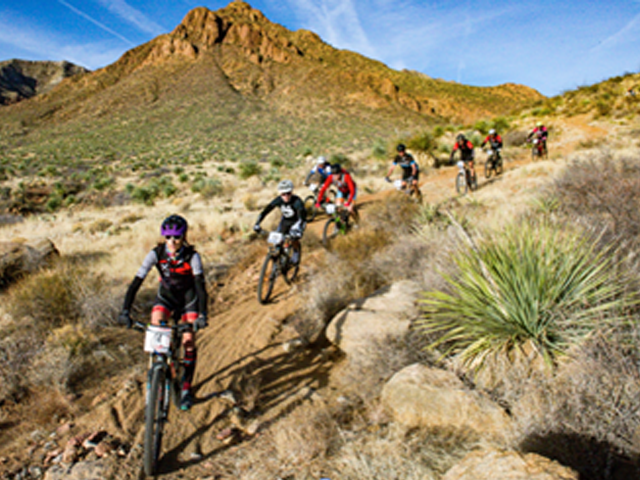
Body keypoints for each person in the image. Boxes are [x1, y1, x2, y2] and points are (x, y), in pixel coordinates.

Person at [119, 215, 208, 411]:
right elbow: (136, 282)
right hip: (166, 297)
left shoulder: (193, 256)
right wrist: (126, 310)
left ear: (184, 237)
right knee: (156, 324)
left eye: (176, 237)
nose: (172, 242)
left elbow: (201, 287)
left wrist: (203, 315)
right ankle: (157, 369)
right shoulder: (156, 254)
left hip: (188, 301)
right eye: (168, 237)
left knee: (188, 341)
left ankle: (185, 388)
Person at [253, 179, 306, 265]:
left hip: (297, 221)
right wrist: (257, 223)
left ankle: (296, 251)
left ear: (291, 192)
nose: (286, 196)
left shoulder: (297, 202)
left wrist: (297, 228)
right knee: (276, 240)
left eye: (288, 193)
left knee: (293, 238)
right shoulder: (278, 200)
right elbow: (266, 211)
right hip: (285, 221)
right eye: (283, 194)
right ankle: (278, 259)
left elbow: (302, 217)